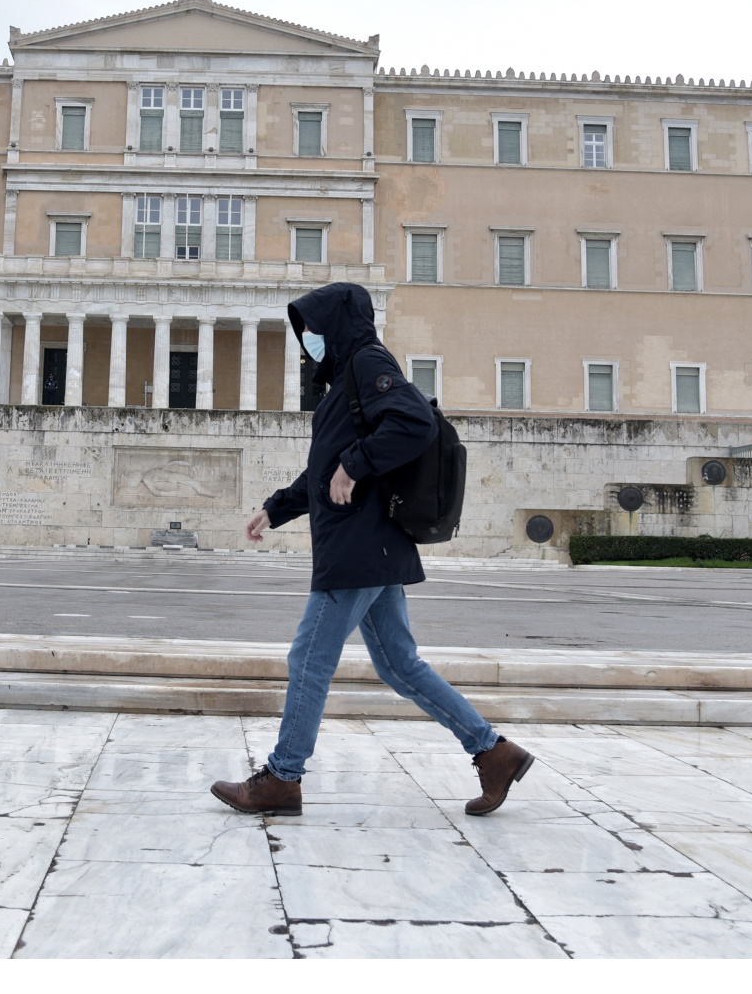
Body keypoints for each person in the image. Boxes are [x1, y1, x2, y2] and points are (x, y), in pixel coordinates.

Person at [210, 282, 533, 818]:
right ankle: (492, 751)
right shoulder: (346, 378)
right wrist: (278, 507)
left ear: (338, 322)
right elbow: (325, 469)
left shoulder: (367, 360)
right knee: (399, 665)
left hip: (360, 545)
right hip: (370, 545)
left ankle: (282, 778)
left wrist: (355, 464)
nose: (308, 338)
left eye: (313, 327)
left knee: (309, 658)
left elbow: (414, 421)